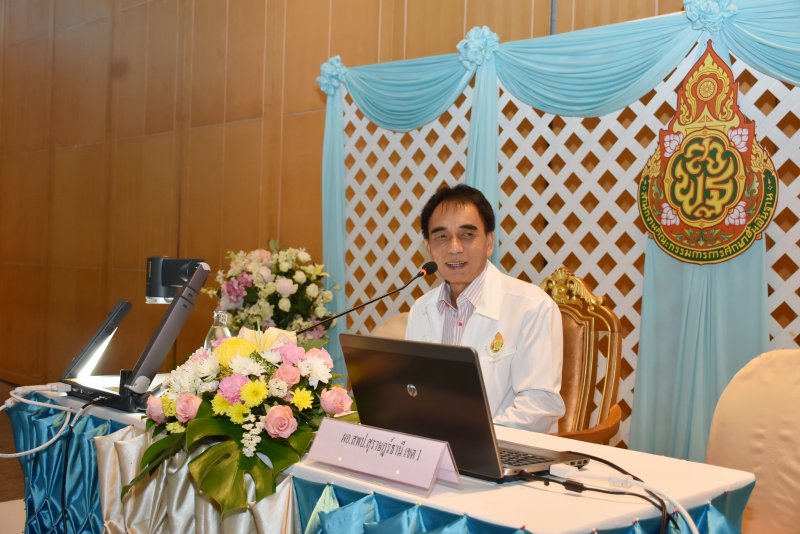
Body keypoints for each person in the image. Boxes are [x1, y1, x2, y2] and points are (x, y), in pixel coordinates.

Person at [405, 184, 565, 432]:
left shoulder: (532, 307)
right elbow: (413, 392)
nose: (454, 247)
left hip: (505, 449)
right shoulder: (421, 309)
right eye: (441, 237)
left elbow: (539, 407)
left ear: (489, 242)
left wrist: (474, 437)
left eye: (467, 235)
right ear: (428, 247)